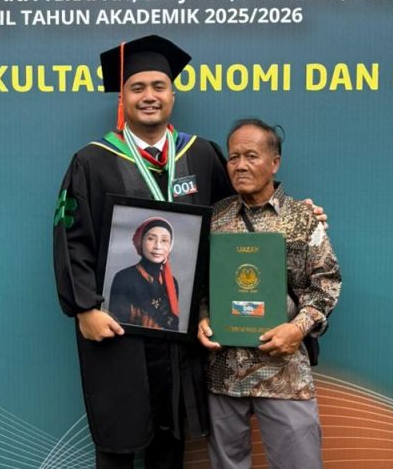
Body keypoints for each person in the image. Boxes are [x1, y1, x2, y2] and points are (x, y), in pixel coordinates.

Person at [53, 36, 328, 468]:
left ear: (172, 95)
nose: (149, 96)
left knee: (171, 440)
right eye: (137, 87)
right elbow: (72, 237)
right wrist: (84, 308)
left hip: (182, 330)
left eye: (158, 86)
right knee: (119, 441)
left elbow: (239, 211)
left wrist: (295, 211)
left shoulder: (199, 154)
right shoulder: (93, 161)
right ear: (123, 98)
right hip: (117, 327)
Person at [198, 118, 341, 469]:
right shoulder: (214, 218)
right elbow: (201, 285)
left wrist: (297, 328)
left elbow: (326, 282)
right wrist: (202, 317)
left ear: (274, 162)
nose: (240, 165)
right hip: (224, 372)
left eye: (251, 156)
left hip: (283, 373)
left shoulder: (302, 217)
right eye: (233, 157)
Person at [109, 217, 180, 331]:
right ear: (140, 241)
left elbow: (173, 328)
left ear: (170, 246)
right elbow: (117, 323)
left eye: (164, 240)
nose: (158, 246)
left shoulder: (172, 282)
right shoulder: (124, 277)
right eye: (151, 239)